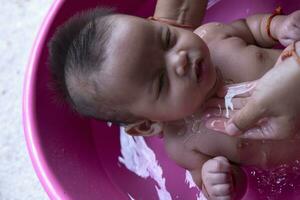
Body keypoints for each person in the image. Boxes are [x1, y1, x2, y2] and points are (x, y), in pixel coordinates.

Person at [48, 2, 300, 199]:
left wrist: (277, 26)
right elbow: (231, 184)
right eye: (160, 81)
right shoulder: (184, 145)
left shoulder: (213, 36)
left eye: (167, 39)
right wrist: (221, 182)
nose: (179, 59)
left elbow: (250, 28)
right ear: (147, 125)